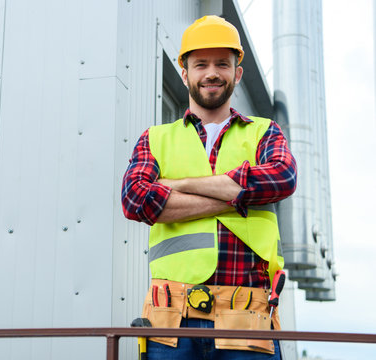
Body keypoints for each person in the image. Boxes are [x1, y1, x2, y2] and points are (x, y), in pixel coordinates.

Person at [121, 15, 297, 360]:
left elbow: (281, 178)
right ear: (185, 73)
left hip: (247, 318)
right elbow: (135, 200)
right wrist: (240, 195)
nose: (212, 72)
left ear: (238, 73)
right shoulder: (155, 138)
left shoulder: (265, 132)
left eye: (222, 64)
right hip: (172, 320)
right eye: (200, 64)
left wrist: (180, 185)